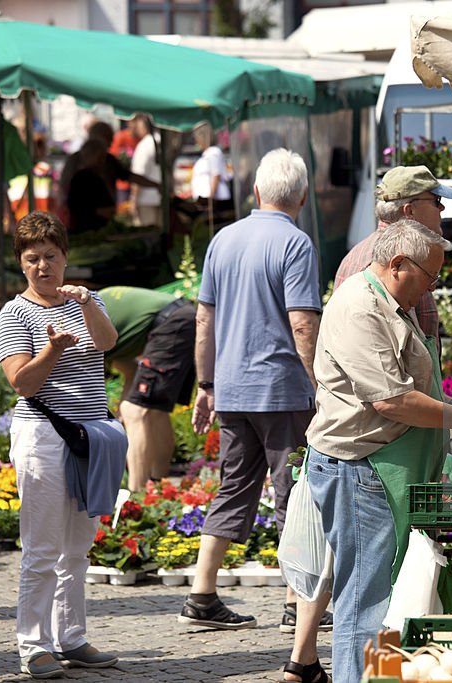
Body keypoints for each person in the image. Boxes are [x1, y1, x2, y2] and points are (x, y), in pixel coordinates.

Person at [306, 218, 452, 682]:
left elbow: (411, 387)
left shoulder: (394, 301)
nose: (433, 287)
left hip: (382, 468)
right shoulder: (360, 307)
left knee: (381, 594)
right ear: (397, 265)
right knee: (364, 599)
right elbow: (391, 400)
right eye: (430, 276)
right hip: (359, 469)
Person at [182, 149, 324, 648]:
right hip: (283, 388)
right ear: (302, 197)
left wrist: (206, 385)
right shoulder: (296, 243)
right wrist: (322, 383)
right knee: (292, 493)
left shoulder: (223, 240)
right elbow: (303, 322)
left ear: (256, 192)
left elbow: (205, 320)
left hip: (234, 388)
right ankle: (295, 600)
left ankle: (202, 593)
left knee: (234, 485)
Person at [0, 211, 122, 679]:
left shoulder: (85, 301)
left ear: (66, 257)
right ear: (21, 265)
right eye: (32, 259)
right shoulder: (14, 313)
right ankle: (33, 644)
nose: (43, 266)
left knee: (77, 546)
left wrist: (87, 305)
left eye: (50, 256)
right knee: (42, 546)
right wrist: (53, 350)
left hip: (91, 436)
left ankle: (72, 637)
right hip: (43, 436)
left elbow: (107, 341)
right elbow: (22, 383)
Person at [335, 165, 452, 345]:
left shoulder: (358, 252)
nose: (442, 207)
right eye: (436, 200)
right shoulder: (396, 259)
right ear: (409, 211)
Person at [99, 286, 196, 491]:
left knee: (135, 411)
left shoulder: (82, 324)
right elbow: (130, 372)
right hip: (183, 319)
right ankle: (159, 486)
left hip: (172, 322)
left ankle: (137, 496)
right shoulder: (112, 329)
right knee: (154, 409)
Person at [65, 139, 115, 232]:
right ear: (90, 156)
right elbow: (75, 206)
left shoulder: (96, 175)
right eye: (99, 157)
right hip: (86, 229)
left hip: (99, 228)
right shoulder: (81, 178)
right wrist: (98, 211)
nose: (102, 161)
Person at [129, 117, 162, 227]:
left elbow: (138, 175)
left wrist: (133, 200)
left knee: (151, 235)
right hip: (160, 196)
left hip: (147, 199)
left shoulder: (145, 145)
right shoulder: (160, 141)